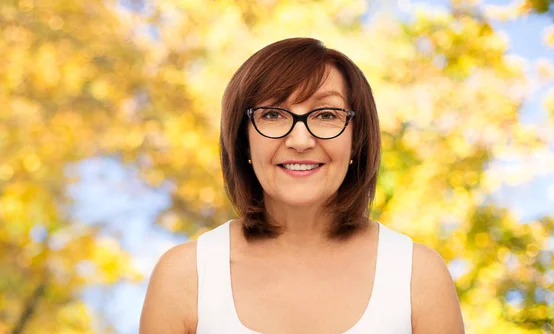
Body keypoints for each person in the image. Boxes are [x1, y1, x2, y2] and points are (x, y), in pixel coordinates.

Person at [140, 37, 464, 334]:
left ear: (357, 140)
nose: (300, 140)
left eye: (326, 115)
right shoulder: (184, 278)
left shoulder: (418, 276)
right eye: (272, 114)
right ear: (243, 141)